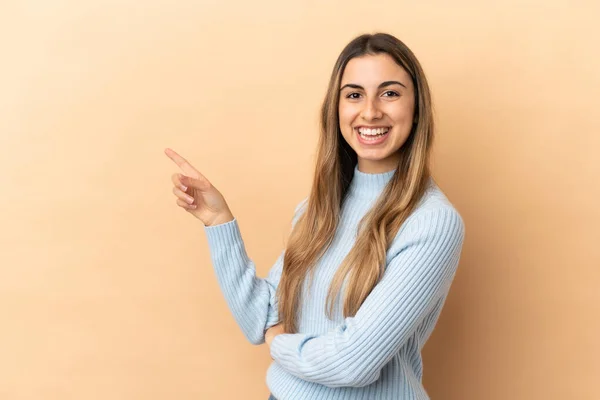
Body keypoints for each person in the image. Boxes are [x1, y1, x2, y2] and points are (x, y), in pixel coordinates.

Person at [165, 32, 465, 400]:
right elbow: (258, 318)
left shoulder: (432, 222)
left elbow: (354, 362)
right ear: (336, 110)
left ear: (417, 108)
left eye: (389, 93)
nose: (370, 111)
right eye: (354, 95)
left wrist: (279, 343)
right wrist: (218, 221)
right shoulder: (317, 207)